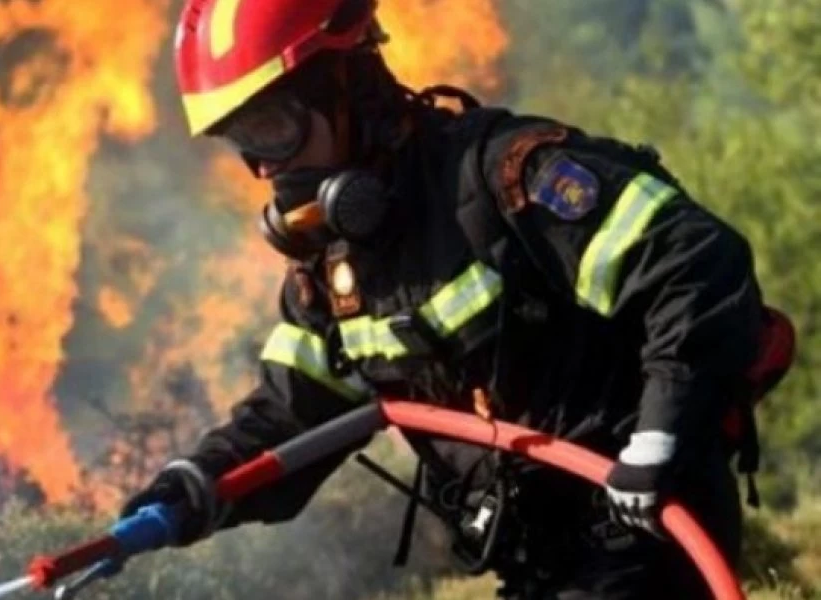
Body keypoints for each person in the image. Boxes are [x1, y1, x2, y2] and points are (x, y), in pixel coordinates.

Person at [119, 0, 794, 597]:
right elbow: (291, 412)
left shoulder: (506, 178)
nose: (265, 169)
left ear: (345, 85)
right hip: (539, 561)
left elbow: (695, 264)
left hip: (642, 537)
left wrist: (659, 441)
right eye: (243, 144)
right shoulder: (334, 272)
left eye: (272, 130)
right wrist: (193, 487)